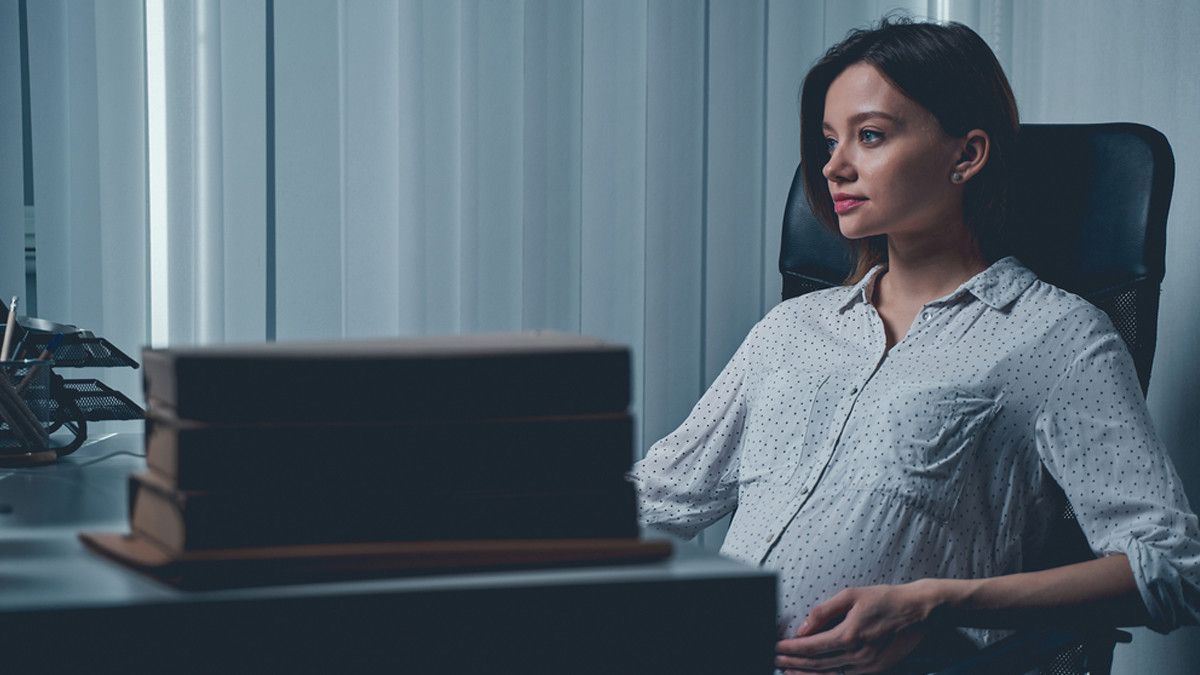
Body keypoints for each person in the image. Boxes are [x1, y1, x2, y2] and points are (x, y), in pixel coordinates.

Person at [628, 15, 1200, 675]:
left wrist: (935, 602)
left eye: (869, 136)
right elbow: (658, 499)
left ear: (967, 154)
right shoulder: (790, 329)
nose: (834, 165)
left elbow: (1172, 567)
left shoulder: (1055, 335)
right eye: (827, 139)